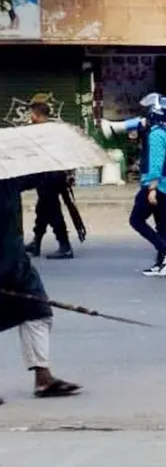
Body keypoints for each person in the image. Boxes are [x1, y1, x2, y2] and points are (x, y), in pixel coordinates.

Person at [1, 174, 82, 402]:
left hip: (16, 262)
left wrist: (58, 176)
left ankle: (43, 377)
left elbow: (34, 178)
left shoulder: (8, 177)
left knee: (38, 312)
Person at [129, 93, 166, 277]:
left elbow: (156, 162)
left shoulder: (156, 134)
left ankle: (165, 248)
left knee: (136, 220)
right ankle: (163, 264)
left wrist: (151, 188)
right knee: (162, 223)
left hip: (156, 185)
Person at [24, 102, 76, 260]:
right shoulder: (53, 131)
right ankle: (36, 242)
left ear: (37, 115)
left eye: (31, 114)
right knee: (42, 209)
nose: (30, 117)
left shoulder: (44, 133)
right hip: (50, 175)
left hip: (50, 176)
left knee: (53, 211)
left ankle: (65, 246)